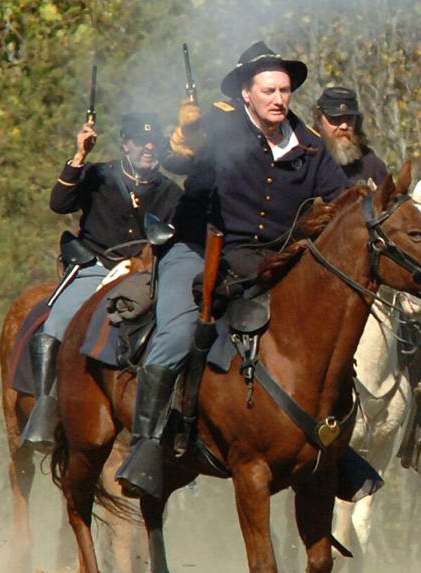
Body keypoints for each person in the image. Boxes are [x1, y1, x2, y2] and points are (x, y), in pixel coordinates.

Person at [115, 41, 349, 499]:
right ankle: (146, 446)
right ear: (246, 94)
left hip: (272, 259)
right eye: (269, 90)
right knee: (178, 334)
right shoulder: (217, 124)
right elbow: (180, 160)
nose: (279, 99)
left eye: (284, 90)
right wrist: (185, 137)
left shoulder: (309, 145)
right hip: (199, 249)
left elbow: (341, 199)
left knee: (330, 330)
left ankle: (337, 447)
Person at [20, 113, 182, 451]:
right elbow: (59, 203)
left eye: (154, 142)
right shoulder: (97, 175)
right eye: (140, 141)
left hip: (145, 274)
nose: (148, 148)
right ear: (125, 144)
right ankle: (45, 406)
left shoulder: (170, 192)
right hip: (97, 265)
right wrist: (80, 156)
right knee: (60, 318)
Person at [311, 86, 388, 187]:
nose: (344, 126)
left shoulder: (372, 166)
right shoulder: (307, 163)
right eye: (335, 119)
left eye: (349, 119)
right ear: (319, 121)